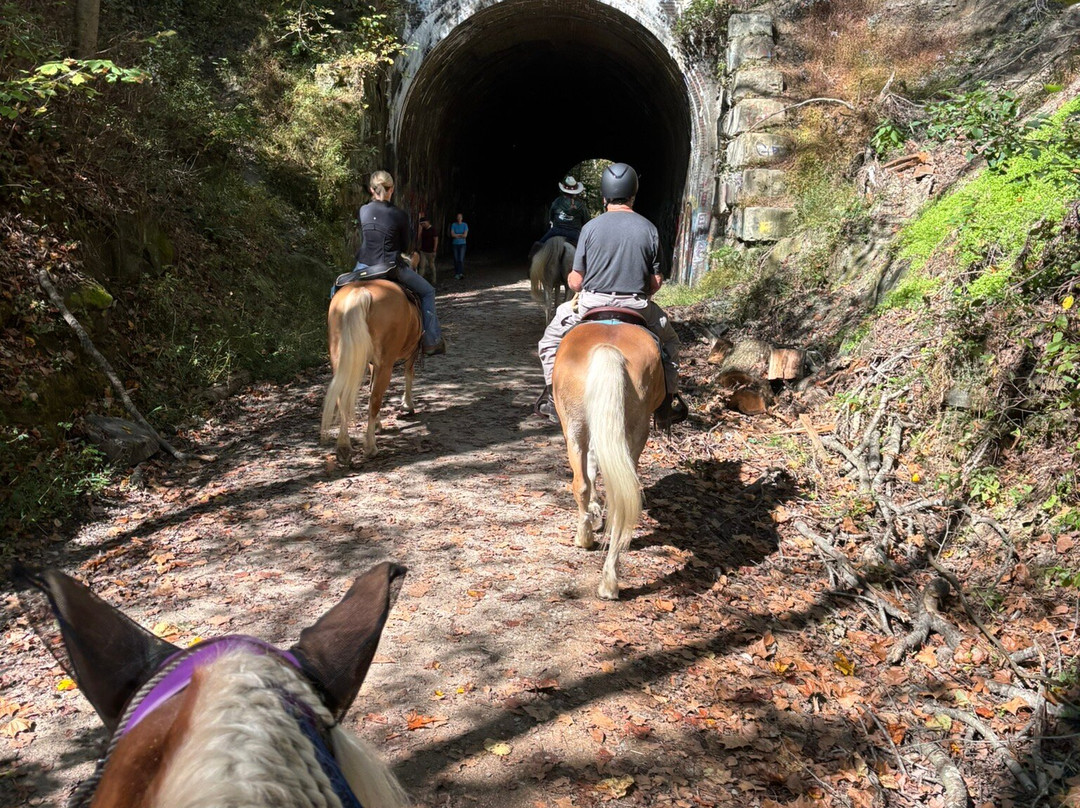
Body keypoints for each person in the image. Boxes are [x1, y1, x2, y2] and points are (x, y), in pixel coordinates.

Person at [534, 162, 687, 427]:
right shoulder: (649, 229)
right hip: (636, 306)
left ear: (605, 197)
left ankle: (552, 398)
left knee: (548, 342)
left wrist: (574, 279)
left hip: (592, 303)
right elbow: (656, 282)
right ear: (633, 196)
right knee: (671, 344)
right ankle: (667, 405)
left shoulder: (590, 228)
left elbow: (577, 281)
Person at [352, 170, 446, 356]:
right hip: (389, 266)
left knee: (337, 290)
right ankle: (431, 340)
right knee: (428, 292)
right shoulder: (399, 214)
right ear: (391, 190)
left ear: (372, 190)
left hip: (364, 266)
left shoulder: (363, 210)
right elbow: (404, 245)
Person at [539, 175, 590, 248]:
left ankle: (531, 256)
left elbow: (550, 217)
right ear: (575, 191)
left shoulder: (557, 201)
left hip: (556, 231)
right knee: (587, 250)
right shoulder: (581, 205)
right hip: (574, 233)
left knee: (539, 245)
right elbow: (587, 222)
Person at [417, 217, 439, 284]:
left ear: (428, 222)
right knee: (422, 266)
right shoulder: (423, 229)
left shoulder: (433, 229)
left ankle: (433, 279)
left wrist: (434, 250)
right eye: (421, 224)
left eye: (424, 223)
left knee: (431, 265)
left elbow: (436, 240)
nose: (423, 225)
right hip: (423, 250)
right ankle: (419, 281)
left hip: (431, 251)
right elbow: (419, 238)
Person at [450, 213, 468, 279]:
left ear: (462, 218)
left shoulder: (465, 225)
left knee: (461, 259)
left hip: (462, 244)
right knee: (456, 259)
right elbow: (452, 235)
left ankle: (461, 273)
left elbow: (465, 235)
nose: (459, 218)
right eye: (458, 217)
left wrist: (457, 235)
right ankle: (457, 273)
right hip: (455, 244)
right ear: (456, 218)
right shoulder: (453, 225)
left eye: (460, 217)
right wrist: (461, 235)